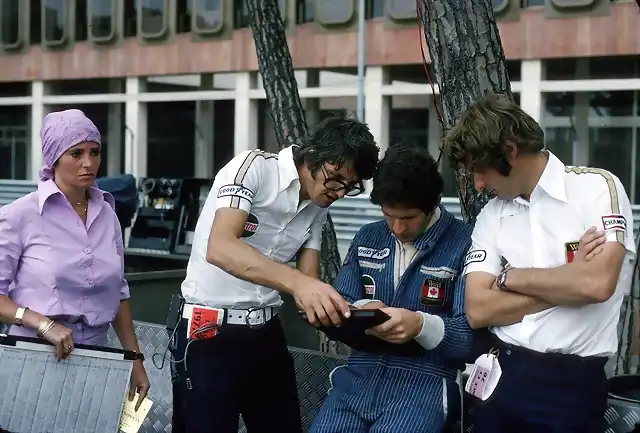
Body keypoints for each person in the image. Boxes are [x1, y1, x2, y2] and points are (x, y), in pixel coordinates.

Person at [170, 116, 380, 433]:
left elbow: (307, 287)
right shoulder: (253, 167)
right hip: (207, 330)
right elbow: (221, 247)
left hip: (265, 332)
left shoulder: (319, 204)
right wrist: (299, 283)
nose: (338, 192)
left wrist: (345, 311)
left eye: (350, 187)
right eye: (335, 179)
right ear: (313, 155)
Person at [443, 93, 636, 433]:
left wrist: (510, 277)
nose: (478, 184)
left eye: (480, 170)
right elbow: (478, 309)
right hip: (501, 376)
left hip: (570, 385)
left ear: (509, 151)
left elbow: (597, 285)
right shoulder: (493, 213)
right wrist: (568, 281)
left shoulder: (595, 188)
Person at [310, 143, 480, 433]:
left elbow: (473, 338)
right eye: (389, 215)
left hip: (425, 383)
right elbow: (341, 301)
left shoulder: (466, 243)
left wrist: (421, 325)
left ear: (434, 203)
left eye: (409, 218)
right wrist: (363, 310)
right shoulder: (369, 237)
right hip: (357, 377)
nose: (398, 228)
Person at [0, 109, 150, 409]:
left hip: (98, 357)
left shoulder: (107, 213)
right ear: (54, 158)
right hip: (35, 355)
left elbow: (118, 291)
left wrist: (134, 359)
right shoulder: (20, 215)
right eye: (76, 153)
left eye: (95, 152)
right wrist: (42, 324)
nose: (89, 162)